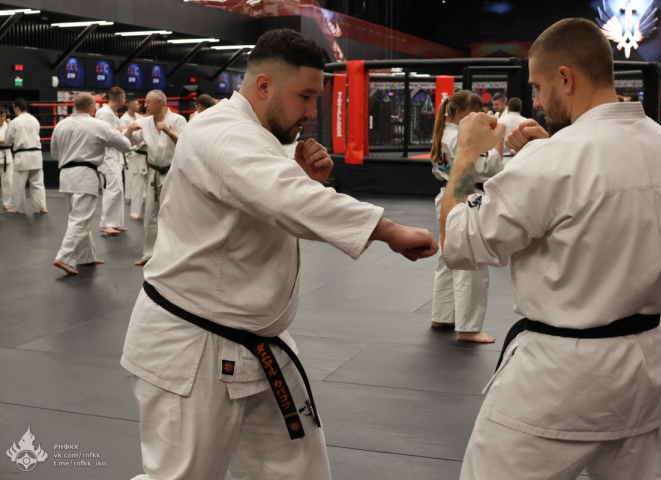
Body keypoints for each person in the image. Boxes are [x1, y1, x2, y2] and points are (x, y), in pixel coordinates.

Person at [121, 29, 437, 480]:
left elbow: (264, 200)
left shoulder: (253, 135)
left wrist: (296, 176)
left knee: (297, 470)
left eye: (316, 99)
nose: (311, 112)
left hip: (257, 342)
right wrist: (389, 230)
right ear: (264, 84)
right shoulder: (221, 131)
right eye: (305, 97)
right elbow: (283, 196)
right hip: (194, 346)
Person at [440, 18, 661, 479]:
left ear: (566, 78)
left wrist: (465, 153)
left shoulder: (556, 158)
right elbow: (599, 210)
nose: (537, 102)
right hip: (644, 370)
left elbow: (458, 241)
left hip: (558, 377)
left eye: (538, 87)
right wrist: (541, 156)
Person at [429, 91, 503, 343]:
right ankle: (469, 328)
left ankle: (442, 315)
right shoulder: (460, 137)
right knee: (472, 261)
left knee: (446, 257)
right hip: (465, 196)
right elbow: (487, 167)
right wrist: (497, 142)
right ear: (459, 112)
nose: (478, 116)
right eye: (474, 111)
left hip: (446, 196)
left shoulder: (443, 134)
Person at [51, 93, 133, 275]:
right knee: (81, 219)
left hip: (65, 175)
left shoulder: (60, 125)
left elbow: (55, 154)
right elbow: (125, 145)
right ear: (91, 107)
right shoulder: (97, 125)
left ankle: (85, 257)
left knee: (78, 216)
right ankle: (63, 257)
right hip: (85, 174)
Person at [124, 90, 187, 266]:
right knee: (151, 215)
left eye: (148, 102)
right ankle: (149, 254)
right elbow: (127, 143)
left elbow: (186, 143)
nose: (145, 105)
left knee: (173, 214)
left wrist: (168, 131)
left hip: (173, 172)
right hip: (154, 173)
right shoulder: (144, 122)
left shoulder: (178, 120)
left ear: (159, 102)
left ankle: (174, 256)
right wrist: (130, 130)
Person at [94, 87, 129, 234]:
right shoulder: (104, 113)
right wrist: (123, 132)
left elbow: (116, 132)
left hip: (114, 155)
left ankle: (116, 222)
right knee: (111, 189)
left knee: (118, 189)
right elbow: (107, 135)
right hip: (106, 156)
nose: (125, 101)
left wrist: (123, 131)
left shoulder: (112, 113)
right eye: (124, 98)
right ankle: (105, 223)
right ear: (120, 98)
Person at [5, 98, 47, 215]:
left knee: (18, 184)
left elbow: (8, 140)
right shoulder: (35, 120)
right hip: (37, 154)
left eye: (14, 108)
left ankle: (17, 207)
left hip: (22, 155)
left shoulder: (15, 122)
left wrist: (9, 126)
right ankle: (42, 206)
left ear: (17, 108)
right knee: (38, 183)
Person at [119, 97, 147, 220]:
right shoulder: (123, 119)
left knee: (137, 181)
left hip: (141, 151)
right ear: (130, 105)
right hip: (130, 152)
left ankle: (134, 200)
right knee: (132, 179)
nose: (139, 105)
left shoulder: (140, 118)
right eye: (136, 104)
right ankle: (130, 199)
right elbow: (123, 136)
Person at [0, 107, 13, 210]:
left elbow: (13, 139)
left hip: (6, 155)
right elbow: (8, 140)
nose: (2, 118)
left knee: (8, 181)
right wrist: (5, 140)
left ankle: (7, 202)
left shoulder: (9, 125)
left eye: (4, 116)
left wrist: (11, 125)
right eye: (0, 116)